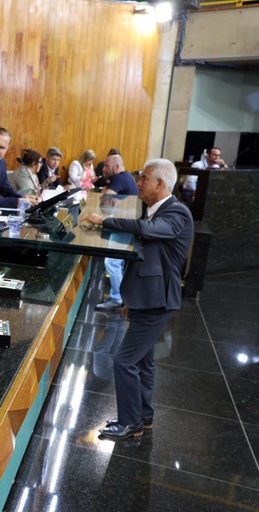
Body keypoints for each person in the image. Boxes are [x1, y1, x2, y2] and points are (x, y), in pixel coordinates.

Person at [87, 158, 193, 440]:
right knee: (143, 362)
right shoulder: (154, 209)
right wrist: (129, 301)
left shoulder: (177, 212)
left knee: (124, 361)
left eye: (144, 178)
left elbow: (147, 231)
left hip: (158, 300)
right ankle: (143, 417)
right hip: (145, 298)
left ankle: (130, 423)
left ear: (160, 183)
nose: (138, 182)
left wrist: (104, 220)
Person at [94, 154, 139, 311]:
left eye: (107, 166)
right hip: (125, 223)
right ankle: (118, 296)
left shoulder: (120, 178)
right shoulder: (125, 177)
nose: (103, 169)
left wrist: (106, 191)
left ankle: (117, 299)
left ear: (117, 167)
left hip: (124, 225)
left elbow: (104, 201)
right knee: (115, 263)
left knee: (112, 262)